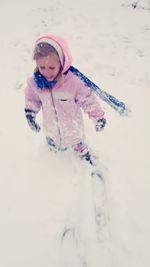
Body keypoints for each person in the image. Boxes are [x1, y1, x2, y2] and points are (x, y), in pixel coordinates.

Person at [24, 35, 106, 166]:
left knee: (76, 140)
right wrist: (30, 113)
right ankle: (53, 148)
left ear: (61, 63)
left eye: (51, 67)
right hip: (50, 126)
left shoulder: (73, 83)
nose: (46, 72)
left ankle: (82, 151)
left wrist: (98, 116)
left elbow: (87, 99)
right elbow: (32, 99)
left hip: (72, 127)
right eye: (42, 67)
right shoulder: (35, 83)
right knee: (52, 139)